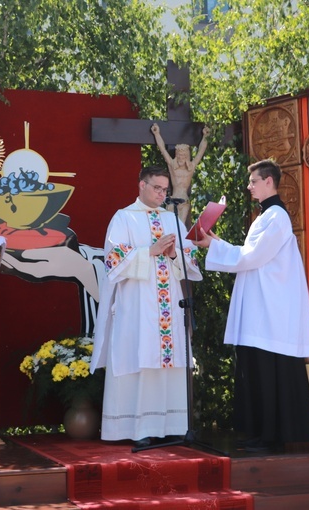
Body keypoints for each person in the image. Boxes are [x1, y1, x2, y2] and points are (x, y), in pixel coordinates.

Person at [191, 159, 309, 452]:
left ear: (269, 182)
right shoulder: (266, 216)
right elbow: (251, 254)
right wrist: (218, 244)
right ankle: (261, 432)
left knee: (269, 373)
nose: (248, 186)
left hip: (271, 312)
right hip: (262, 308)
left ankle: (272, 438)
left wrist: (214, 246)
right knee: (258, 372)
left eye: (253, 181)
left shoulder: (277, 217)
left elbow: (253, 258)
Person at [91, 165, 203, 447]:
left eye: (165, 190)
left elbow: (191, 263)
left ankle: (172, 425)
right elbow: (113, 261)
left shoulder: (172, 219)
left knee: (169, 362)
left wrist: (174, 253)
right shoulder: (124, 218)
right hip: (138, 307)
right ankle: (137, 427)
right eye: (157, 188)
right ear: (141, 185)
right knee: (139, 359)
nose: (161, 194)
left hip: (169, 307)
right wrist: (149, 252)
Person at [151, 123, 210, 224]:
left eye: (183, 156)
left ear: (187, 156)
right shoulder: (172, 166)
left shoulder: (190, 168)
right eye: (179, 156)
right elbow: (163, 149)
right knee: (170, 228)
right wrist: (157, 134)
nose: (181, 158)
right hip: (173, 200)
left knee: (181, 229)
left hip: (184, 202)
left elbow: (200, 151)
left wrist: (205, 136)